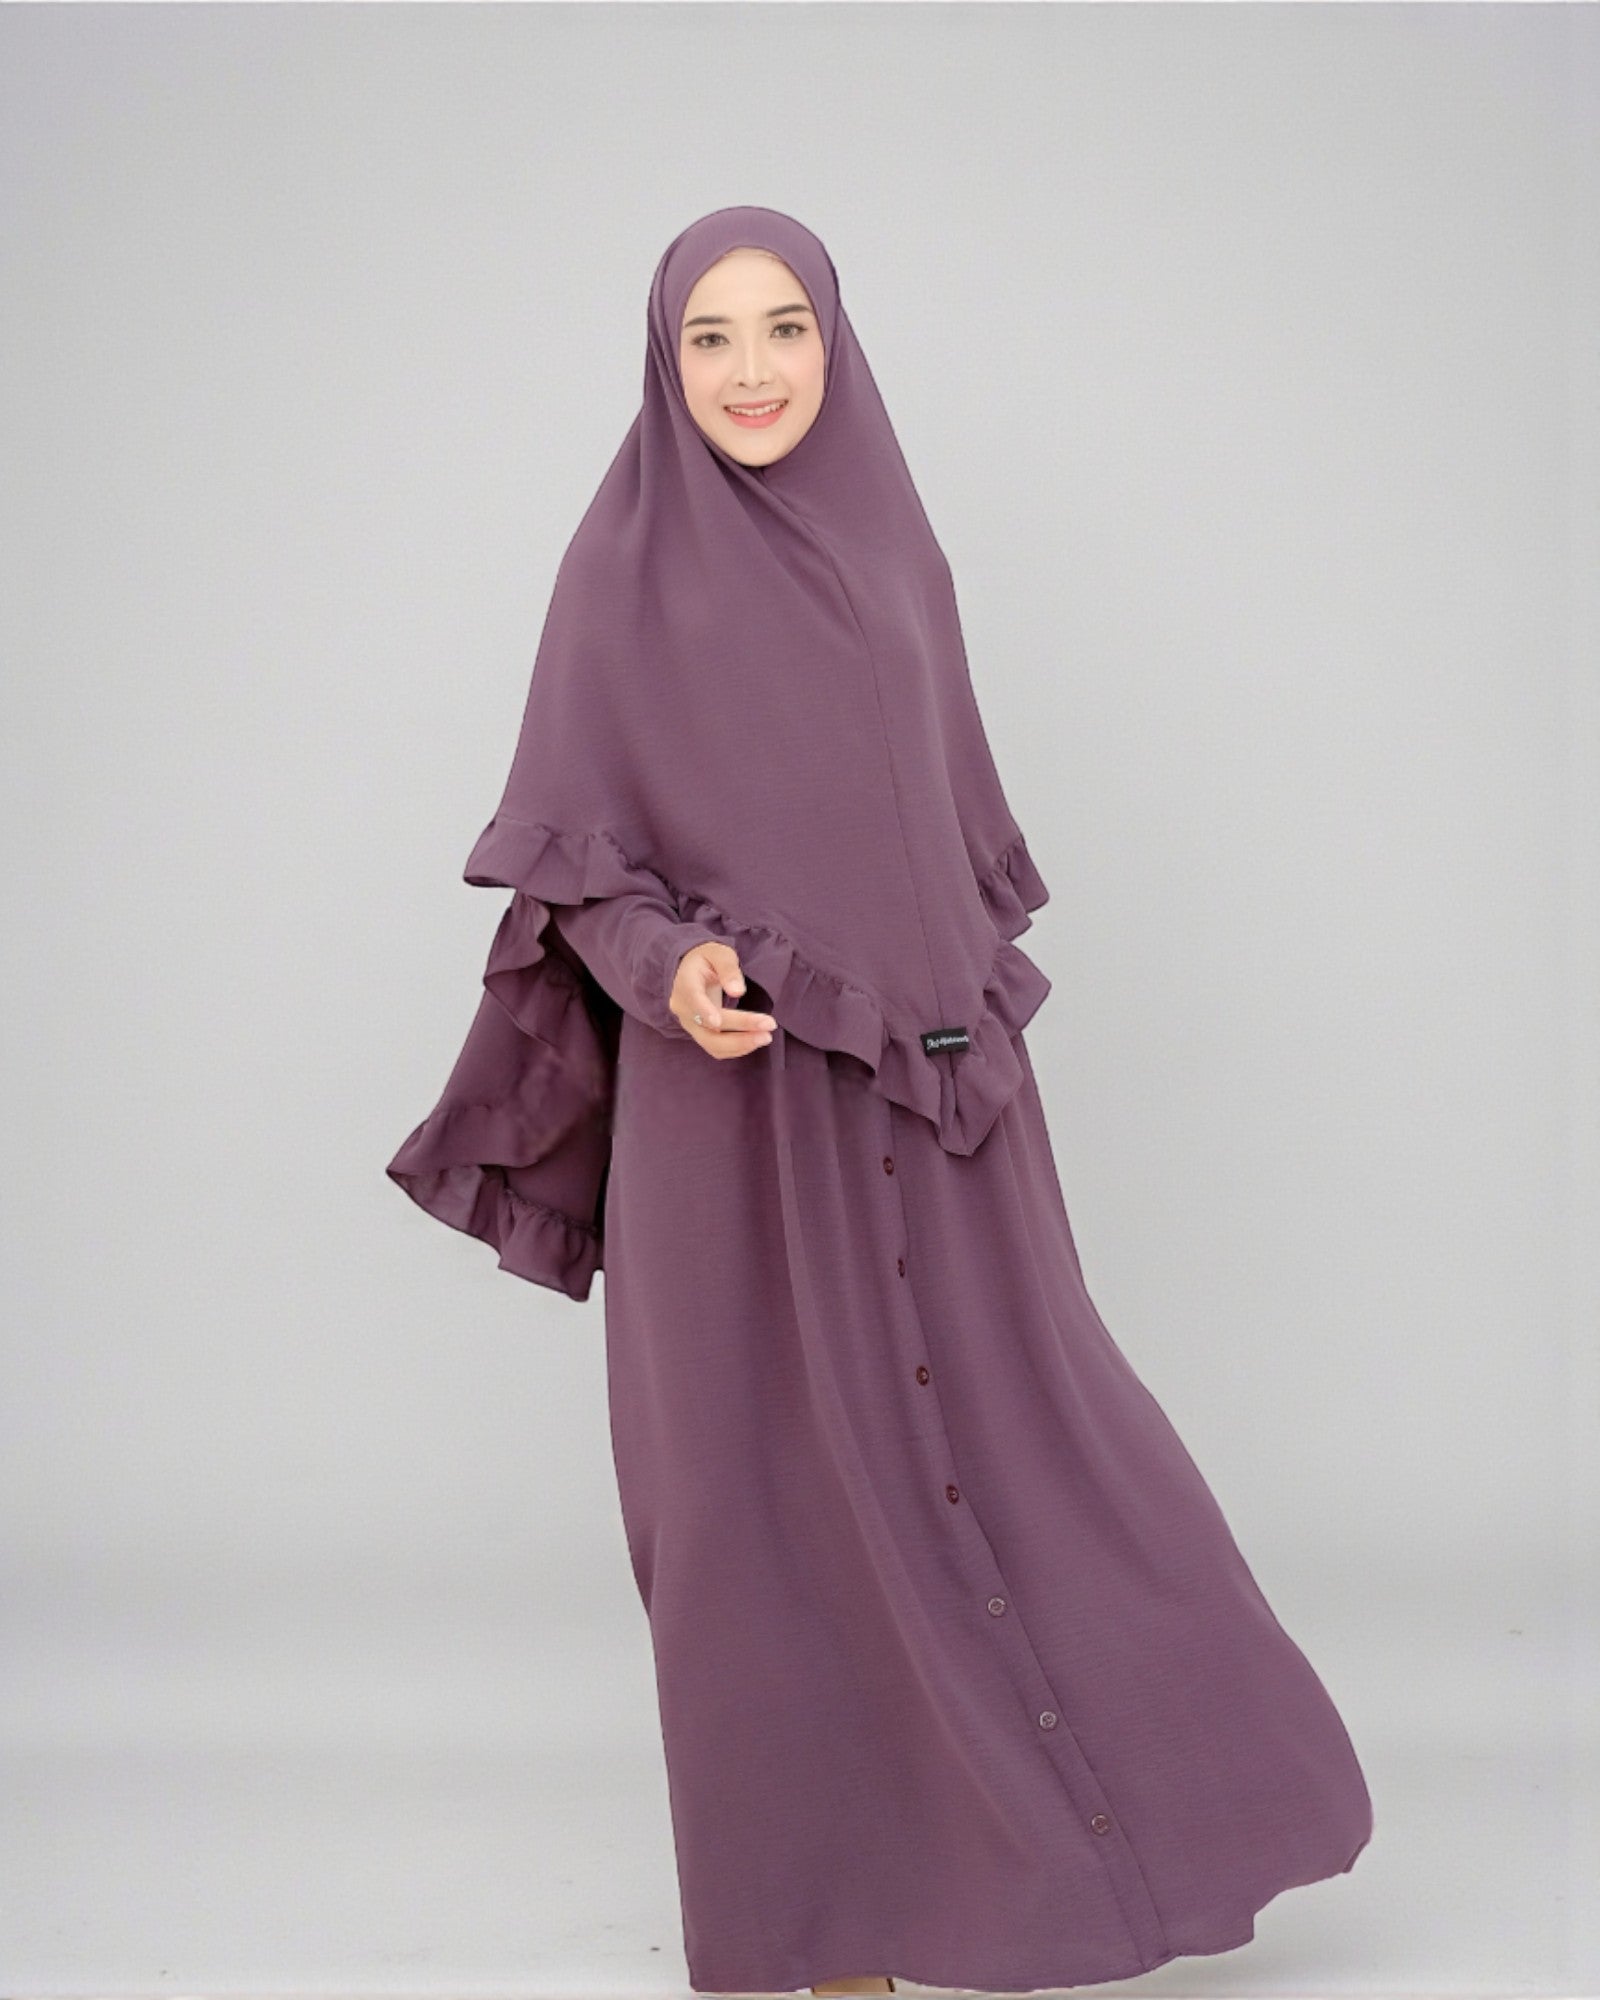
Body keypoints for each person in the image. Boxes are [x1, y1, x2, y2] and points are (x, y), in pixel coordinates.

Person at [387, 205, 1373, 2000]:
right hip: (735, 1124)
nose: (752, 370)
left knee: (1047, 1461)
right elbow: (575, 874)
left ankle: (1093, 1868)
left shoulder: (900, 553)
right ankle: (825, 1937)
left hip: (935, 1106)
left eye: (785, 328)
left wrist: (946, 1027)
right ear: (664, 361)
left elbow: (936, 838)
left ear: (835, 342)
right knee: (759, 1523)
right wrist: (675, 967)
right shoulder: (619, 576)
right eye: (709, 338)